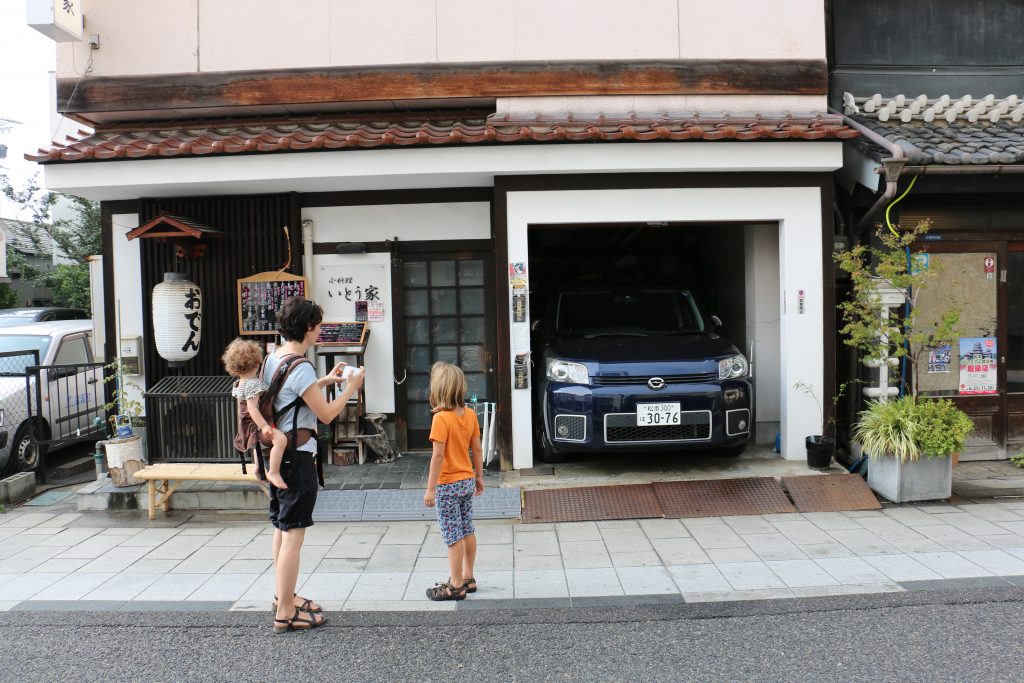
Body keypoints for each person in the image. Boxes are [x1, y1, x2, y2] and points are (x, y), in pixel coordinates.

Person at [267, 296, 364, 633]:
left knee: (281, 527)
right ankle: (285, 614)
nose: (320, 330)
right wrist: (350, 389)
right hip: (298, 456)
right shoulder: (303, 365)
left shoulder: (275, 357)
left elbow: (290, 397)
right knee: (294, 534)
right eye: (319, 325)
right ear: (308, 327)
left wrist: (325, 382)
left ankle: (284, 596)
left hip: (279, 454)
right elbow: (324, 415)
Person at [423, 361, 485, 601]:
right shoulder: (470, 414)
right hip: (467, 481)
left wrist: (430, 488)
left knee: (452, 534)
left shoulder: (441, 418)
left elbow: (438, 455)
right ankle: (468, 576)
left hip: (447, 484)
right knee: (467, 528)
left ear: (438, 389)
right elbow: (477, 449)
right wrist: (479, 476)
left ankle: (456, 584)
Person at [223, 338, 290, 490]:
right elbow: (253, 409)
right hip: (259, 424)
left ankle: (258, 467)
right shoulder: (253, 384)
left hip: (250, 427)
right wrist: (265, 426)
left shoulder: (240, 383)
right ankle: (273, 471)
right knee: (281, 440)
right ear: (256, 363)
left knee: (257, 446)